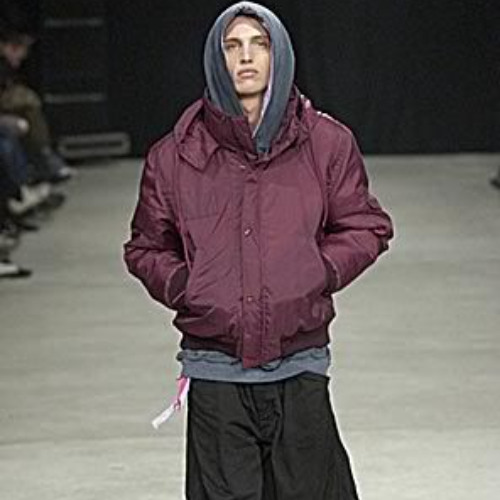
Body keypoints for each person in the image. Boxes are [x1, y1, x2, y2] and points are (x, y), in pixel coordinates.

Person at [124, 2, 393, 498]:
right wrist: (190, 287)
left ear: (280, 55)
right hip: (215, 366)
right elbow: (146, 246)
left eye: (259, 45)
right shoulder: (175, 155)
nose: (245, 57)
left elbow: (367, 225)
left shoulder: (326, 143)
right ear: (216, 59)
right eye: (232, 46)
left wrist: (316, 272)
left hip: (299, 360)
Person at [0, 23, 74, 184]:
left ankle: (41, 163)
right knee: (24, 117)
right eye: (21, 51)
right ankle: (38, 167)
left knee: (29, 116)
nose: (22, 58)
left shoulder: (8, 69)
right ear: (11, 47)